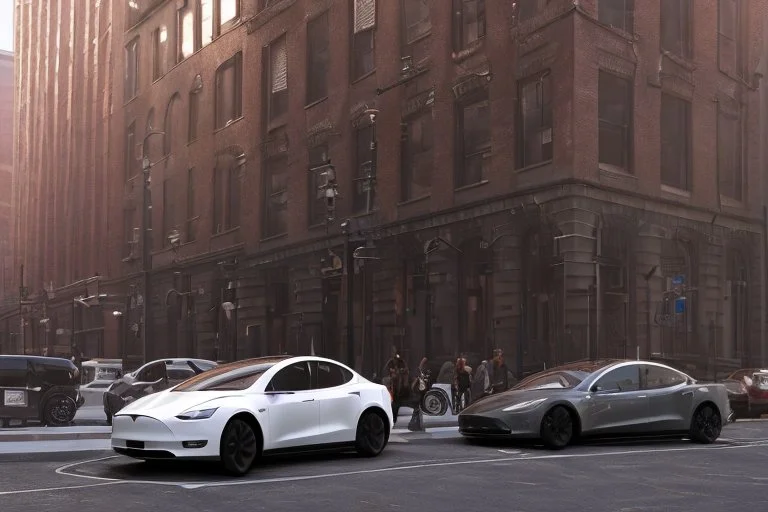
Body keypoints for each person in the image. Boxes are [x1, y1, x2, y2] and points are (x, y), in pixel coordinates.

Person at [385, 351, 409, 425]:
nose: (396, 360)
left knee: (397, 403)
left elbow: (406, 369)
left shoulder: (402, 362)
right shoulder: (390, 362)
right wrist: (391, 371)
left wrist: (401, 371)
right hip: (393, 384)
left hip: (399, 382)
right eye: (395, 358)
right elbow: (386, 369)